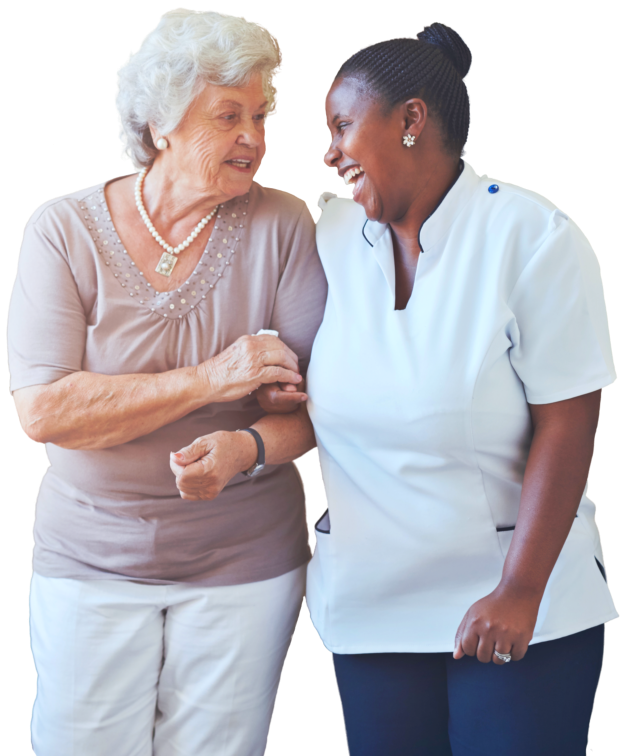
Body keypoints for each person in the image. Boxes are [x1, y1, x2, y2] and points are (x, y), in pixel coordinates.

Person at [266, 21, 618, 756]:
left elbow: (568, 423)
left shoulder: (533, 236)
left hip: (517, 607)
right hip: (369, 611)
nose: (329, 154)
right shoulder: (329, 239)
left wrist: (520, 591)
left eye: (341, 126)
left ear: (411, 121)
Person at [9, 9, 324, 755]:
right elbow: (48, 409)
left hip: (245, 560)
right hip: (90, 557)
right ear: (163, 125)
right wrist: (219, 377)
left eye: (260, 114)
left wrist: (245, 447)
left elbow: (321, 409)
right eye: (228, 115)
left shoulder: (284, 224)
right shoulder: (64, 230)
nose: (253, 136)